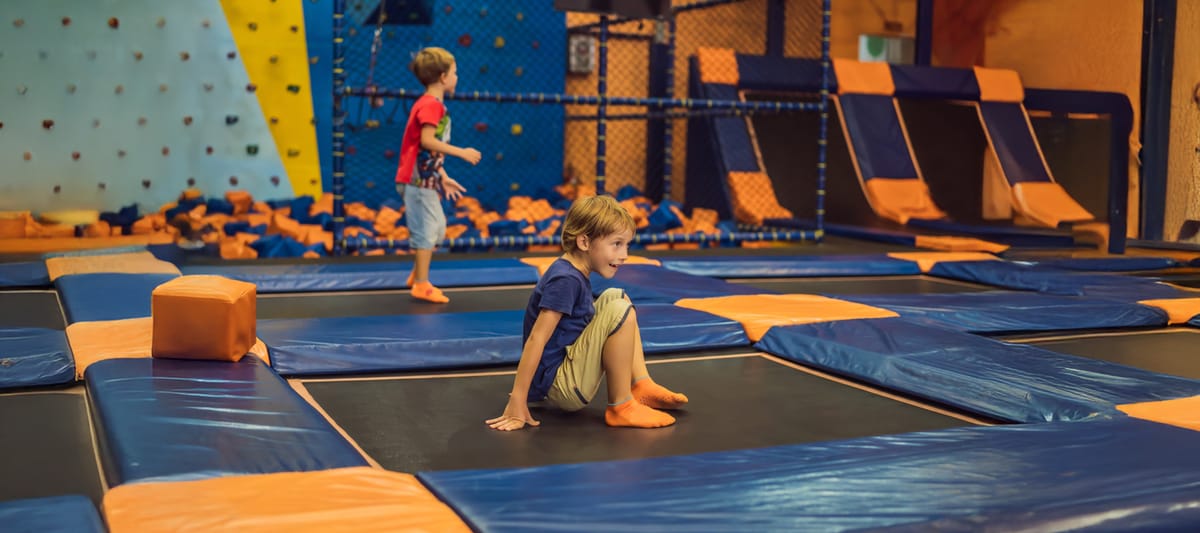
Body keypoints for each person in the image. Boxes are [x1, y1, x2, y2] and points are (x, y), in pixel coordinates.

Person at [487, 195, 688, 430]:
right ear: (584, 242)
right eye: (616, 244)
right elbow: (536, 338)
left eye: (627, 245)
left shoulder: (571, 270)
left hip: (561, 372)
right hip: (563, 386)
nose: (624, 254)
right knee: (619, 309)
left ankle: (641, 384)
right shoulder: (565, 280)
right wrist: (518, 400)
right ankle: (621, 406)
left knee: (617, 296)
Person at [395, 47, 482, 303]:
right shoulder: (431, 105)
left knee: (439, 229)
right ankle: (421, 284)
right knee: (427, 230)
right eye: (455, 72)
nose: (457, 77)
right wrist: (461, 152)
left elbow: (425, 150)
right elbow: (427, 141)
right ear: (443, 77)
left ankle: (417, 274)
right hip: (417, 181)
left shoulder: (432, 104)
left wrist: (442, 175)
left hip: (426, 178)